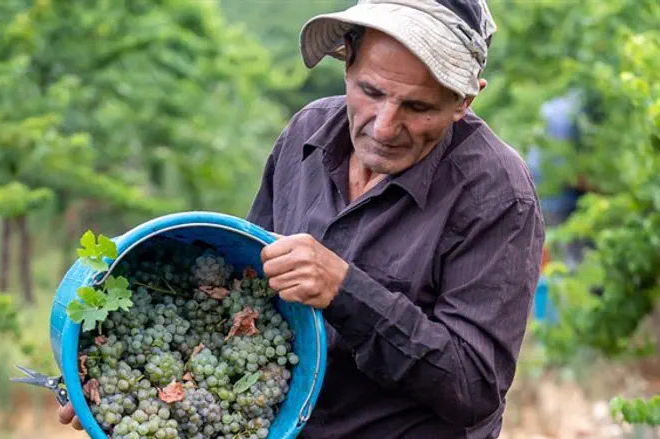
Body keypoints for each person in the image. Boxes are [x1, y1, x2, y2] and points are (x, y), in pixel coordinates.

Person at [59, 0, 546, 437]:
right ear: (347, 60)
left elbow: (474, 387)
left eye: (417, 107)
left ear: (465, 100)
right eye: (370, 92)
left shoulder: (496, 195)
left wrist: (347, 291)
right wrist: (126, 382)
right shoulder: (308, 134)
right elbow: (243, 295)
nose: (383, 126)